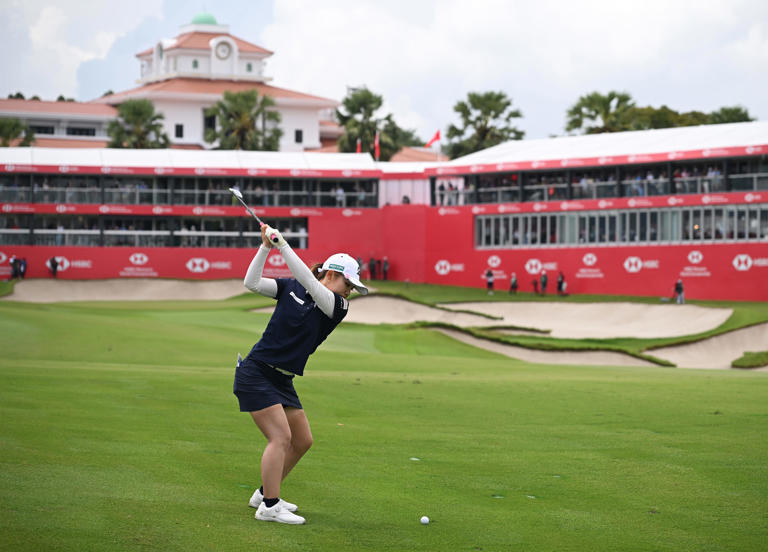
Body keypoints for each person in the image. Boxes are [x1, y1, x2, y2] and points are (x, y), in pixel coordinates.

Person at [235, 224, 368, 525]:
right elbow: (251, 283)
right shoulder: (291, 289)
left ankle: (263, 493)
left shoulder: (337, 306)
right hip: (256, 372)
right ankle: (269, 506)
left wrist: (282, 244)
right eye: (349, 284)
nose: (350, 292)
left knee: (302, 440)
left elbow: (309, 280)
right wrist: (266, 247)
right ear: (332, 274)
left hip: (282, 379)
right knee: (280, 437)